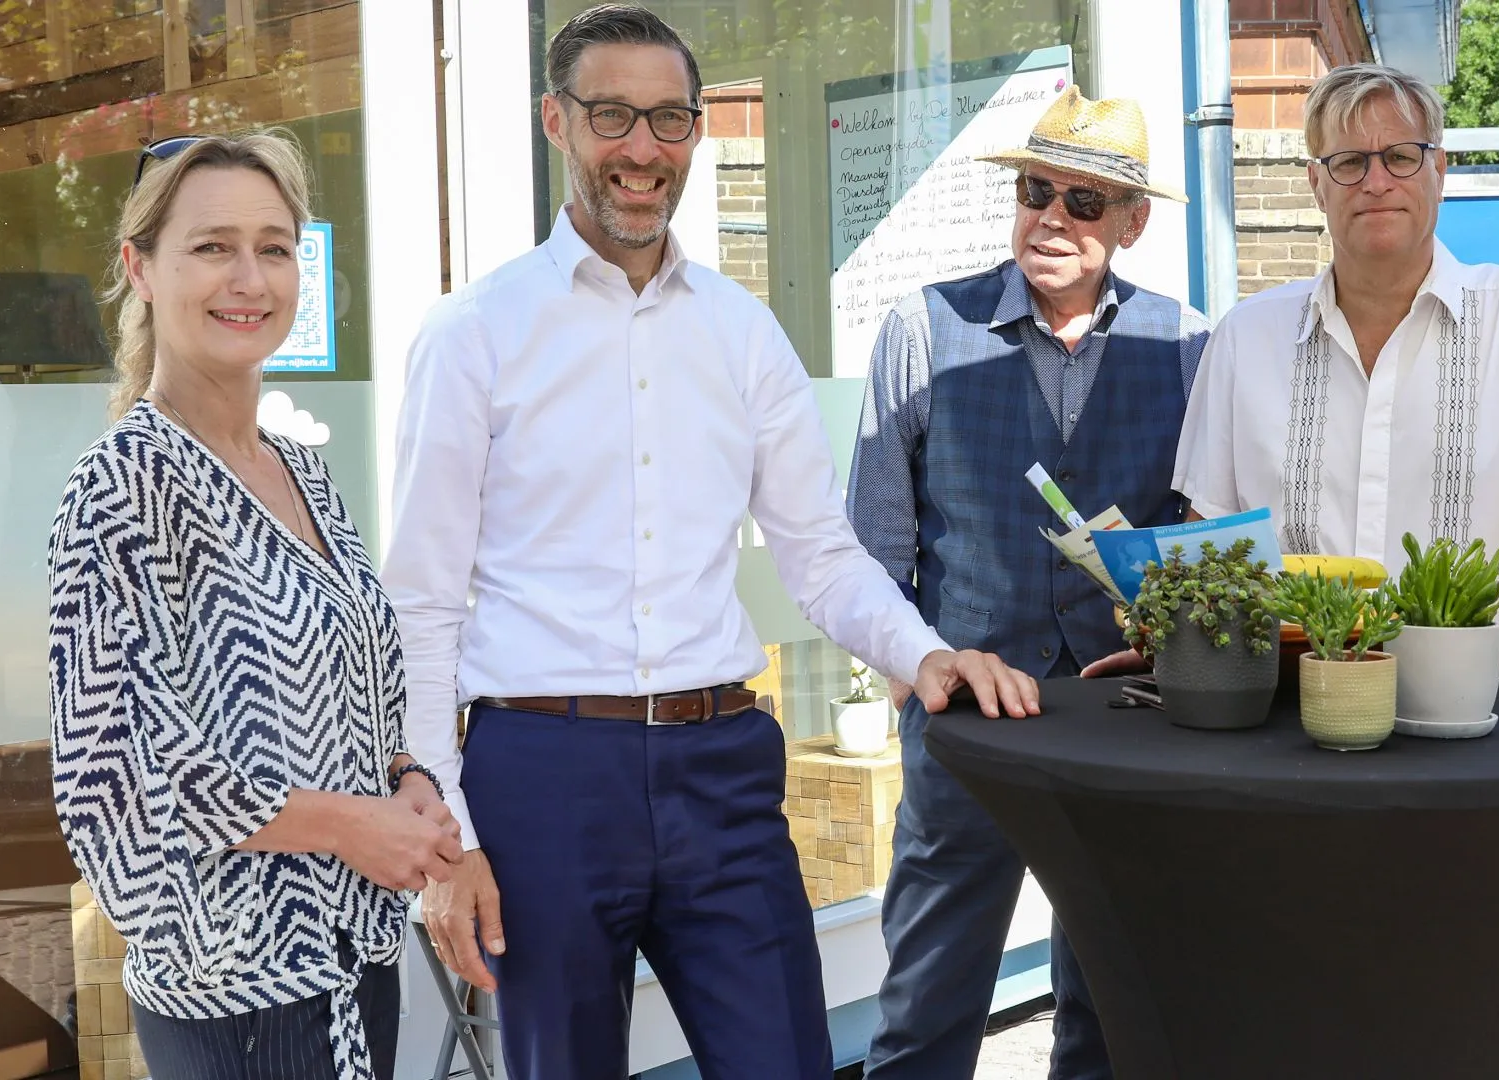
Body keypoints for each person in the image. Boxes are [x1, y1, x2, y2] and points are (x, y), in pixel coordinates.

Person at [382, 6, 1040, 1078]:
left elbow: (820, 555)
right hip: (542, 777)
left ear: (697, 132)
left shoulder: (742, 333)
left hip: (721, 772)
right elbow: (420, 601)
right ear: (557, 121)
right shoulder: (475, 335)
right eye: (611, 116)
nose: (642, 150)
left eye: (670, 119)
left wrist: (925, 655)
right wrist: (446, 831)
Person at [1097, 63, 1499, 729]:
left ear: (1439, 170)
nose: (1376, 181)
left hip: (1467, 709)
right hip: (1284, 710)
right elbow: (1209, 532)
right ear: (1316, 183)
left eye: (1401, 156)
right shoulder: (1246, 336)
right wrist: (1180, 651)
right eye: (1348, 162)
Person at [47, 132, 463, 1080]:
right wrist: (352, 828)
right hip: (235, 997)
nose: (249, 277)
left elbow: (359, 698)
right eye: (212, 246)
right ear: (139, 267)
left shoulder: (304, 474)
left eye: (275, 248)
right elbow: (108, 783)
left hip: (355, 968)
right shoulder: (124, 485)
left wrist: (406, 783)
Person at [847, 84, 1208, 1079]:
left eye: (1084, 202)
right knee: (926, 1014)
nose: (1051, 217)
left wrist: (1175, 642)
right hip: (965, 726)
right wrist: (917, 672)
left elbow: (1203, 543)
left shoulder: (1186, 347)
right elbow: (871, 549)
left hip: (1121, 723)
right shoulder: (922, 330)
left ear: (1131, 224)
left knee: (1107, 1014)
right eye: (1036, 191)